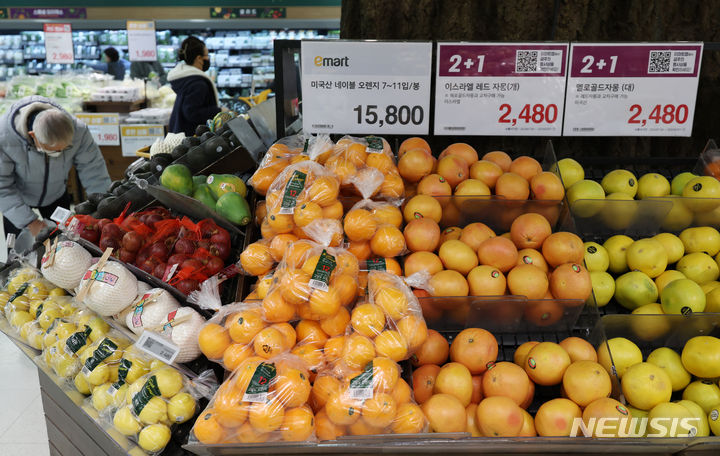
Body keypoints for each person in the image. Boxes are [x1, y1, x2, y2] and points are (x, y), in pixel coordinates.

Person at [0, 96, 112, 237]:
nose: (59, 154)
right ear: (33, 136)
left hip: (57, 194)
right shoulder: (4, 137)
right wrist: (30, 222)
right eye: (54, 151)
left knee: (64, 243)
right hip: (18, 197)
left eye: (65, 149)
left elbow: (94, 171)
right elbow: (2, 187)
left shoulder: (78, 131)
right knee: (19, 251)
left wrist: (104, 207)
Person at [167, 36, 222, 136]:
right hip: (192, 138)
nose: (208, 58)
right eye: (207, 55)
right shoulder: (197, 84)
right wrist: (219, 111)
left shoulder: (186, 79)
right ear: (199, 58)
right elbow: (192, 113)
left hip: (181, 133)